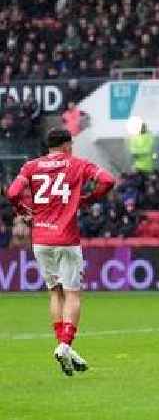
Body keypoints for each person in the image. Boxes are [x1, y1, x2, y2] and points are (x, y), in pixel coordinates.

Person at [6, 128, 115, 376]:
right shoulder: (77, 164)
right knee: (73, 294)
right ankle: (65, 344)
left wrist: (23, 210)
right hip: (66, 238)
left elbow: (12, 192)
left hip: (41, 239)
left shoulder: (31, 166)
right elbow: (108, 180)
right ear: (66, 145)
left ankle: (63, 346)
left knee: (55, 293)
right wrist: (88, 199)